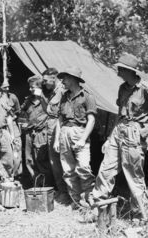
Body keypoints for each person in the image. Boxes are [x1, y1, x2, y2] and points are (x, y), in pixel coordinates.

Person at [92, 53, 148, 221]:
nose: (117, 72)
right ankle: (98, 210)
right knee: (105, 171)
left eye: (120, 69)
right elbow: (120, 114)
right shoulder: (123, 88)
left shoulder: (146, 88)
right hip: (118, 131)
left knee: (134, 177)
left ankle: (140, 216)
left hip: (134, 134)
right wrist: (110, 138)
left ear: (128, 71)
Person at [54, 66, 97, 209]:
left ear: (73, 79)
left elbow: (91, 120)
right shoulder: (64, 97)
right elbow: (59, 119)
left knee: (84, 167)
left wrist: (83, 139)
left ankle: (90, 198)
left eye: (65, 78)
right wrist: (56, 139)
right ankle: (77, 202)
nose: (62, 82)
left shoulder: (87, 97)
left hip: (80, 132)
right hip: (65, 132)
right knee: (68, 170)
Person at [40, 67, 71, 205]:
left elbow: (62, 113)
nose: (44, 83)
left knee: (62, 161)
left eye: (46, 80)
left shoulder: (63, 91)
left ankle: (68, 192)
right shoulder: (52, 92)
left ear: (54, 78)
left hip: (61, 126)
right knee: (54, 162)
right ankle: (62, 190)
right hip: (52, 125)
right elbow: (48, 110)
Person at [21, 75, 55, 187]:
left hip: (42, 132)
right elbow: (22, 115)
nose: (30, 89)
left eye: (32, 87)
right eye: (29, 87)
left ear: (40, 87)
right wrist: (24, 122)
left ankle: (47, 186)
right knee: (29, 160)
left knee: (42, 160)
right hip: (29, 133)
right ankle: (36, 184)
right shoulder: (28, 101)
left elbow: (52, 114)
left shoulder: (48, 99)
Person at [1, 78, 22, 177]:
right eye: (5, 87)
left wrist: (13, 117)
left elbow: (18, 111)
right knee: (6, 152)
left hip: (12, 125)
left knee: (16, 149)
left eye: (8, 86)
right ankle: (6, 176)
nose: (7, 88)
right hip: (2, 127)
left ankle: (16, 173)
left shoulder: (12, 97)